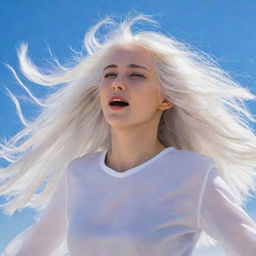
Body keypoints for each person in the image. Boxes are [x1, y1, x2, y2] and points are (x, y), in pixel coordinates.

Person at [0, 13, 256, 256]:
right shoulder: (78, 174)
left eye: (136, 75)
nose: (117, 83)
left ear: (165, 98)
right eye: (109, 74)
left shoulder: (194, 174)